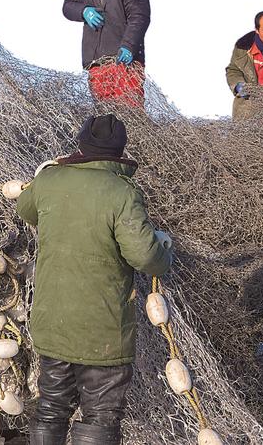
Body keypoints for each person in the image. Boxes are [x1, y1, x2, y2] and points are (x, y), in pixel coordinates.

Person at [17, 114, 173, 445]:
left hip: (53, 322)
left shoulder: (50, 180)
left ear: (81, 144)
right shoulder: (122, 192)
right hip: (102, 329)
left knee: (51, 406)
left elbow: (25, 209)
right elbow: (145, 256)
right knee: (101, 414)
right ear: (119, 150)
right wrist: (164, 251)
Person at [62, 0, 150, 107]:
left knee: (129, 114)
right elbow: (67, 6)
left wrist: (128, 47)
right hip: (97, 64)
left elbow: (139, 17)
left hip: (124, 63)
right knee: (104, 121)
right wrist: (84, 11)